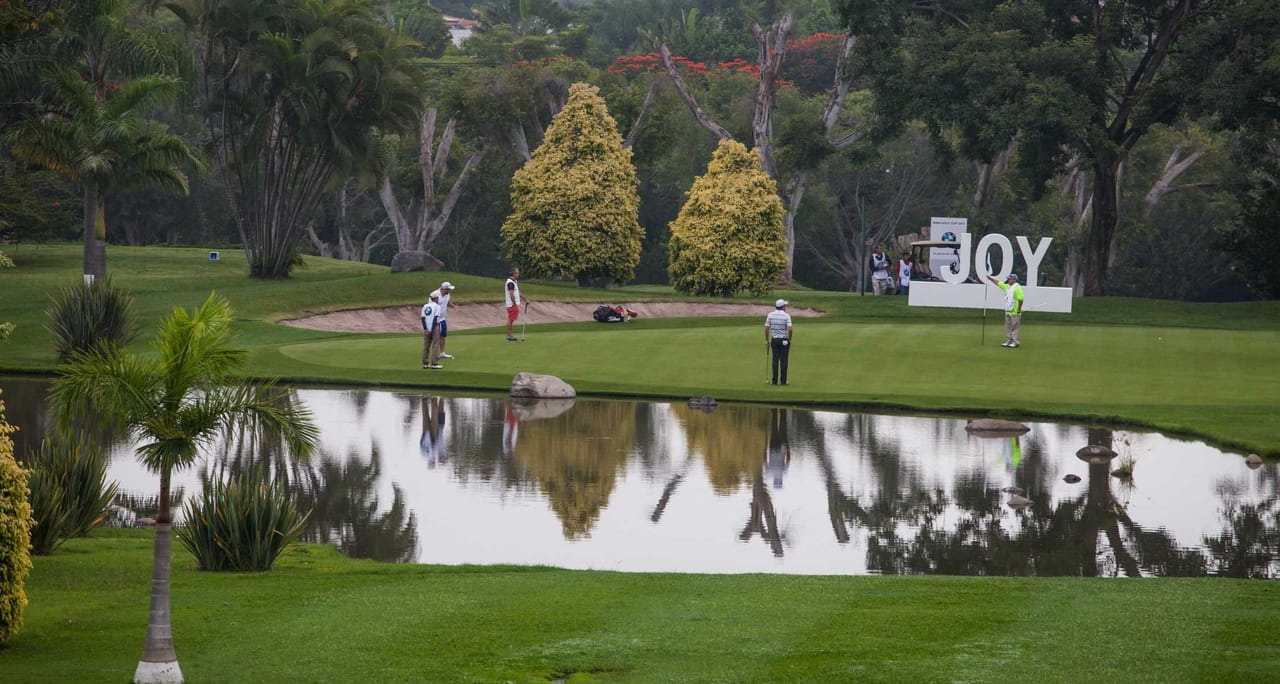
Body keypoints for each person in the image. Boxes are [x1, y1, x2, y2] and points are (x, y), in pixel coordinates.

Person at [986, 272, 1025, 348]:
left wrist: (1019, 308)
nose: (1008, 280)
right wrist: (990, 278)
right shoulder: (1007, 287)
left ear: (1014, 280)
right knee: (1008, 327)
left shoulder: (1017, 287)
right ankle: (1009, 340)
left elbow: (1021, 299)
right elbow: (998, 283)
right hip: (1008, 310)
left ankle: (1015, 342)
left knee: (1014, 327)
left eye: (1010, 279)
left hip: (1015, 311)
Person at [764, 298, 793, 385]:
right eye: (785, 306)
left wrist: (766, 340)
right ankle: (783, 381)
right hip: (784, 340)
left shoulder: (770, 315)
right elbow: (790, 329)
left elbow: (766, 328)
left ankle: (774, 381)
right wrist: (789, 339)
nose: (785, 307)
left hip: (774, 339)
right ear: (782, 307)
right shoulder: (787, 316)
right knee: (784, 360)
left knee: (775, 360)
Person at [420, 290, 443, 368]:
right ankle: (434, 363)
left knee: (426, 345)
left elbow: (423, 318)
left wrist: (426, 329)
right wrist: (431, 329)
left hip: (426, 327)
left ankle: (425, 363)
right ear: (436, 298)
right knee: (435, 344)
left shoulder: (425, 306)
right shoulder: (437, 306)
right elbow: (435, 318)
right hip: (434, 326)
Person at [504, 267, 526, 342]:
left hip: (513, 304)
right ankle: (509, 337)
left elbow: (518, 292)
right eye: (517, 273)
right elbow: (511, 294)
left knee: (511, 320)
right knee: (510, 320)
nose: (518, 274)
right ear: (513, 273)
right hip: (512, 304)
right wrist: (514, 304)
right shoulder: (510, 283)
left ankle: (510, 336)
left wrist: (525, 299)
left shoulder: (514, 282)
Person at [436, 281, 456, 359]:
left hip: (442, 318)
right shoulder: (435, 294)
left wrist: (453, 306)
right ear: (444, 289)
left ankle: (442, 353)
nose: (449, 291)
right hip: (436, 320)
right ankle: (436, 353)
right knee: (436, 337)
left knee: (443, 336)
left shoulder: (447, 295)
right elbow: (431, 306)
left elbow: (447, 302)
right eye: (448, 289)